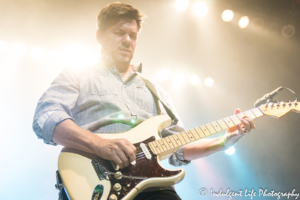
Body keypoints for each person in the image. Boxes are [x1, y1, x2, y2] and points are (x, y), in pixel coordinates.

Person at [32, 2, 256, 200]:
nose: (127, 40)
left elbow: (179, 147)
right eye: (120, 33)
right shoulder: (79, 74)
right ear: (99, 36)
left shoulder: (155, 91)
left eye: (133, 35)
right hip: (94, 183)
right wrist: (99, 144)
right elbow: (46, 117)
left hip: (151, 187)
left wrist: (224, 141)